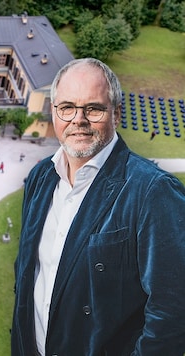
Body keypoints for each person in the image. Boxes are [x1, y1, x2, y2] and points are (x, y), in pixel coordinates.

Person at [11, 58, 185, 355]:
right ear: (54, 112)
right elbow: (29, 276)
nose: (78, 119)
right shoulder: (41, 176)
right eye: (66, 107)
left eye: (93, 108)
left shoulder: (153, 192)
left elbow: (173, 311)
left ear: (116, 113)